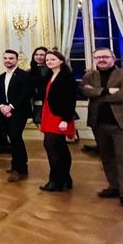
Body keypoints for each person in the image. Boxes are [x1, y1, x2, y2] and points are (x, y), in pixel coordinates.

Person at [81, 48, 123, 215]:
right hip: (99, 124)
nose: (101, 59)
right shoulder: (89, 76)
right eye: (98, 57)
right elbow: (84, 91)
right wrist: (106, 91)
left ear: (113, 58)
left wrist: (97, 95)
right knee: (107, 158)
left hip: (122, 125)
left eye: (105, 57)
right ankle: (114, 186)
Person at [39, 50, 77, 192]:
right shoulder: (50, 75)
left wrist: (65, 119)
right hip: (49, 114)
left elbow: (70, 100)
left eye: (52, 59)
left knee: (51, 145)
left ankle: (55, 180)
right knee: (60, 147)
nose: (49, 62)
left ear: (61, 61)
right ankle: (65, 178)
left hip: (60, 116)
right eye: (47, 60)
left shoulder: (66, 76)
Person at [0, 49, 33, 182]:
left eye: (11, 58)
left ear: (17, 60)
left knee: (16, 137)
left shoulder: (25, 75)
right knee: (13, 138)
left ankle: (18, 169)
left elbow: (26, 94)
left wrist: (10, 106)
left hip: (19, 111)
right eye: (5, 58)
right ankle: (20, 165)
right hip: (4, 111)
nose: (7, 60)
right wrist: (1, 107)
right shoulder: (1, 77)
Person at [30, 46, 50, 125]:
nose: (39, 57)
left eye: (42, 55)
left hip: (51, 104)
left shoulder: (53, 70)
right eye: (36, 54)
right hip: (37, 104)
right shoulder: (30, 71)